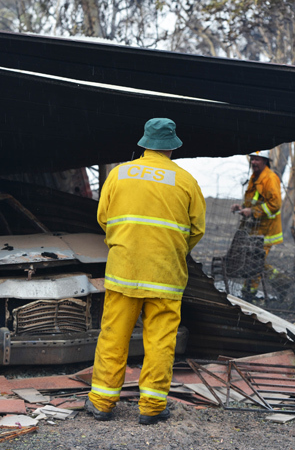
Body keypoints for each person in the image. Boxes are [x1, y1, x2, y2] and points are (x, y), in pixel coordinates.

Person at [85, 118, 206, 425]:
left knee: (114, 336)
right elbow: (197, 230)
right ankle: (151, 407)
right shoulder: (186, 181)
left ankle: (101, 403)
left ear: (143, 144)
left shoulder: (119, 174)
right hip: (165, 274)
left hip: (123, 270)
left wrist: (126, 240)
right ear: (173, 148)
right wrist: (172, 249)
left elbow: (103, 218)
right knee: (160, 341)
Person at [230, 150, 283, 300]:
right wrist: (241, 208)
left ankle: (250, 296)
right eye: (252, 159)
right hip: (255, 228)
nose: (253, 162)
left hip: (267, 230)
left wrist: (253, 211)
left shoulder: (270, 179)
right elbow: (253, 201)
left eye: (257, 159)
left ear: (265, 161)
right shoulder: (255, 177)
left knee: (255, 262)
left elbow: (275, 204)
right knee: (252, 260)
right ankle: (281, 282)